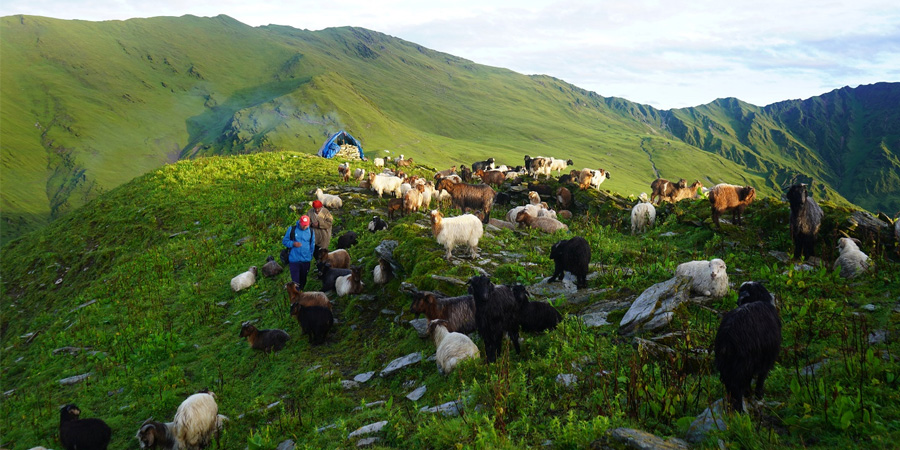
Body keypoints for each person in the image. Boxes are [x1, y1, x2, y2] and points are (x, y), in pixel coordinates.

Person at [282, 215, 315, 288]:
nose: (304, 227)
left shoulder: (311, 231)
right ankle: (296, 293)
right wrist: (293, 243)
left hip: (306, 260)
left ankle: (301, 290)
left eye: (306, 225)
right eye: (303, 225)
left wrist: (310, 255)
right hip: (294, 260)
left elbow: (312, 244)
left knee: (303, 280)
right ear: (300, 222)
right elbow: (284, 241)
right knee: (295, 282)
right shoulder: (292, 229)